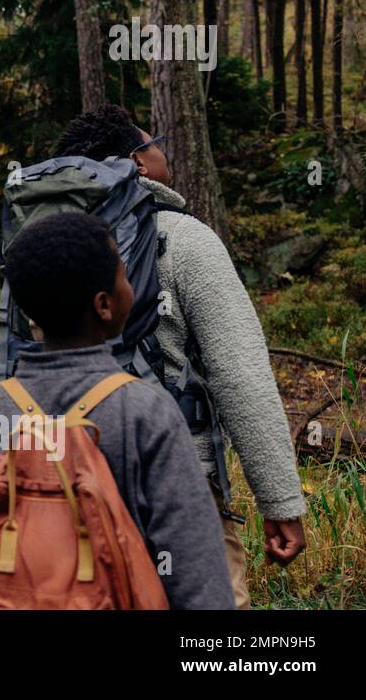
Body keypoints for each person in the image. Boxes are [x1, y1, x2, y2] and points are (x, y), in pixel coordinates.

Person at [54, 103, 307, 607]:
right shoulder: (186, 240)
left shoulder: (46, 243)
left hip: (66, 478)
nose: (162, 150)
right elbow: (240, 374)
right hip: (175, 480)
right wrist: (279, 499)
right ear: (138, 162)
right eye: (155, 142)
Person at [0, 213, 235, 609]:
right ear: (104, 305)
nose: (129, 285)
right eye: (123, 275)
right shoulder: (145, 411)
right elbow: (193, 565)